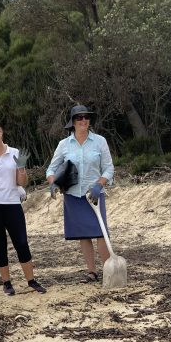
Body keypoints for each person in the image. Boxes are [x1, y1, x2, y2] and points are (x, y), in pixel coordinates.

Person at [0, 117, 46, 296]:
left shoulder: (14, 152)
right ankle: (7, 283)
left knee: (21, 242)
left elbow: (22, 182)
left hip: (12, 203)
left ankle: (31, 280)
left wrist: (21, 168)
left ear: (1, 131)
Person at [45, 104, 115, 282]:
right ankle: (91, 271)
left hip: (94, 195)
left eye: (86, 117)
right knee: (84, 235)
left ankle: (110, 270)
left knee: (100, 232)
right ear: (73, 122)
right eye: (79, 118)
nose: (83, 120)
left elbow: (108, 168)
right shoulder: (64, 144)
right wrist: (53, 183)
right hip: (73, 195)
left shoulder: (100, 141)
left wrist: (99, 185)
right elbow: (51, 169)